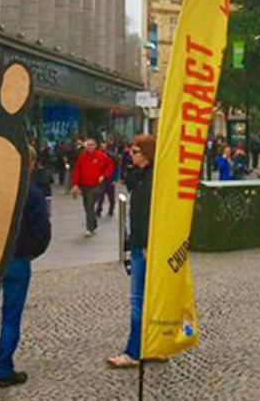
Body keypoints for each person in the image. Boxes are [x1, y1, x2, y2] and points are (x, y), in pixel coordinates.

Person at [0, 146, 51, 388]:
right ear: (31, 163)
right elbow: (42, 233)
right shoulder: (32, 193)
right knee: (10, 316)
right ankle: (4, 369)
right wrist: (30, 253)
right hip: (18, 260)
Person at [107, 135, 156, 368]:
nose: (131, 154)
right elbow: (129, 181)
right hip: (138, 243)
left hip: (144, 246)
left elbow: (148, 214)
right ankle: (153, 345)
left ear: (146, 153)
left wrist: (146, 244)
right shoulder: (141, 176)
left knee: (138, 299)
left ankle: (134, 351)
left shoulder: (152, 180)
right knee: (147, 298)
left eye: (135, 151)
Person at [71, 139, 114, 236]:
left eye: (91, 145)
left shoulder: (101, 156)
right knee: (87, 205)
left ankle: (89, 228)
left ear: (95, 146)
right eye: (88, 145)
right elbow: (77, 170)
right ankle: (93, 223)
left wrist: (104, 175)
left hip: (96, 185)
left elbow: (110, 165)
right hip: (85, 185)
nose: (89, 147)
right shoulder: (82, 157)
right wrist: (75, 184)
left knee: (90, 204)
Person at [96, 143, 117, 217]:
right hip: (101, 178)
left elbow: (114, 168)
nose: (102, 148)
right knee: (100, 195)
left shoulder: (111, 156)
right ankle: (99, 209)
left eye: (104, 147)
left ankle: (111, 209)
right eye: (101, 147)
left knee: (111, 195)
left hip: (109, 178)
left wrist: (114, 179)